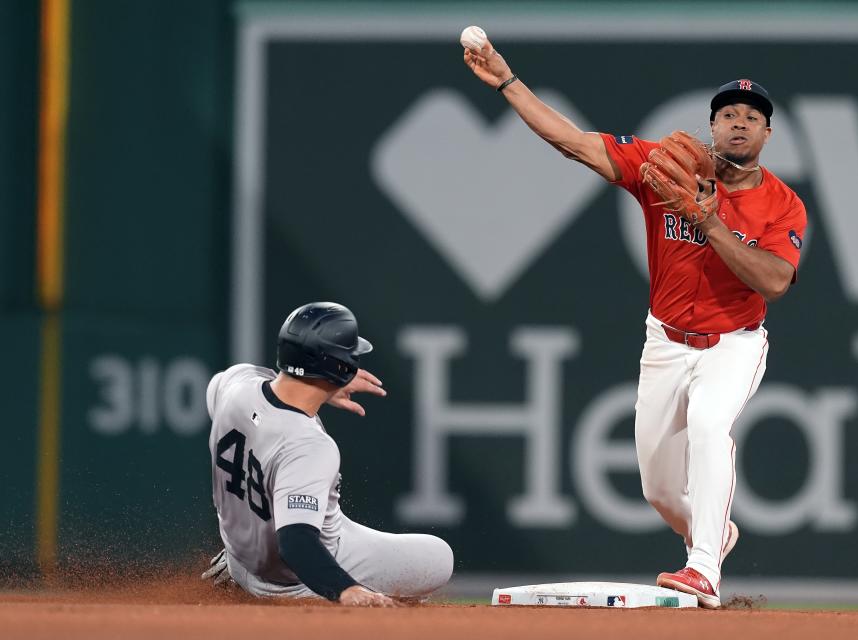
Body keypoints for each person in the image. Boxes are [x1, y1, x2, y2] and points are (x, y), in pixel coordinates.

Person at [464, 41, 806, 609]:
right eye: (728, 114)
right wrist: (508, 83)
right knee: (659, 488)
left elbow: (772, 282)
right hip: (665, 341)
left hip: (733, 344)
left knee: (708, 423)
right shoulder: (663, 169)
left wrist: (710, 221)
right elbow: (573, 142)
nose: (739, 123)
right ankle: (712, 534)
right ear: (712, 127)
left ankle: (703, 570)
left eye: (752, 117)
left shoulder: (783, 205)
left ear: (768, 134)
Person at [202, 302, 454, 606]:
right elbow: (296, 543)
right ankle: (314, 595)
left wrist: (320, 387)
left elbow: (245, 390)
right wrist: (347, 590)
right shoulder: (309, 446)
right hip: (294, 578)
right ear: (340, 369)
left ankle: (236, 569)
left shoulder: (236, 386)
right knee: (439, 558)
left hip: (242, 554)